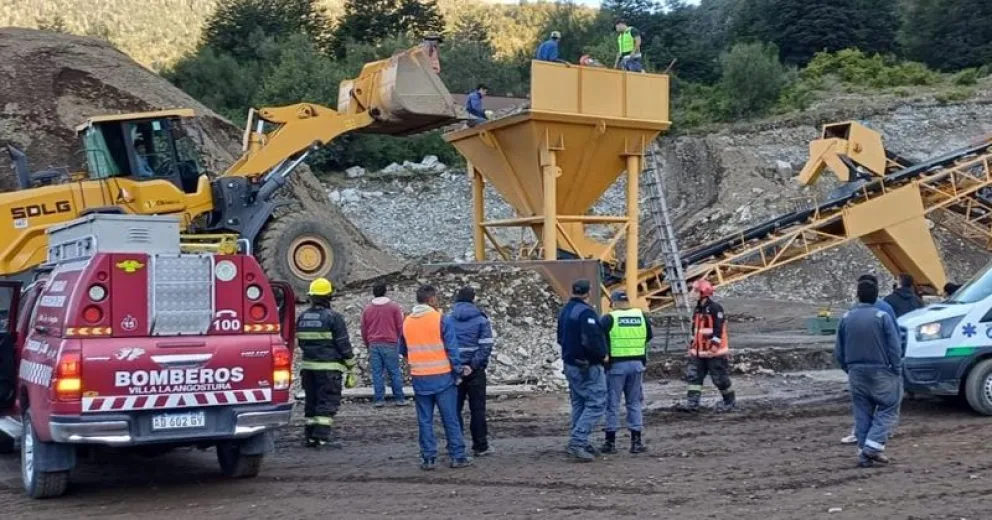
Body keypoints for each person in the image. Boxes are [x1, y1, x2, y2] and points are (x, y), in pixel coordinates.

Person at [399, 285, 472, 470]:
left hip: (419, 378)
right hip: (442, 377)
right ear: (431, 300)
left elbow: (404, 350)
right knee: (450, 418)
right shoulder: (440, 319)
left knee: (425, 420)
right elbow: (452, 349)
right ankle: (457, 456)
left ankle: (428, 458)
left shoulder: (407, 321)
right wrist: (457, 371)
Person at [835, 276, 903, 468]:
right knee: (889, 407)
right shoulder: (882, 316)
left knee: (862, 412)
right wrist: (896, 369)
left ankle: (865, 453)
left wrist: (848, 369)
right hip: (881, 370)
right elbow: (894, 347)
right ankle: (872, 448)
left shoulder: (846, 317)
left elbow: (838, 350)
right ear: (876, 297)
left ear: (858, 296)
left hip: (856, 372)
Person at [296, 278, 357, 449]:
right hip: (329, 369)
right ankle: (321, 438)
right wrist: (351, 366)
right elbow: (343, 344)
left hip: (308, 368)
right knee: (327, 402)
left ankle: (310, 437)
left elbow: (301, 343)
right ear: (328, 296)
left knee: (312, 401)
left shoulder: (303, 317)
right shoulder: (334, 318)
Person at [557, 279, 608, 462]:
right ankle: (578, 440)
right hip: (586, 365)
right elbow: (592, 339)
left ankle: (579, 438)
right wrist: (602, 356)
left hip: (570, 363)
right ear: (589, 292)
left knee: (579, 401)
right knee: (596, 402)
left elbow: (560, 338)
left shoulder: (565, 311)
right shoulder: (586, 313)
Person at [599, 290, 651, 455]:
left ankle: (610, 443)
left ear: (613, 303)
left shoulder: (609, 318)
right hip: (636, 364)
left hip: (616, 366)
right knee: (634, 403)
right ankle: (636, 442)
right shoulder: (641, 316)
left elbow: (600, 338)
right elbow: (649, 336)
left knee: (612, 404)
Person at [447, 286, 496, 457]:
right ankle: (480, 446)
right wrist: (473, 365)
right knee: (477, 410)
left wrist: (458, 366)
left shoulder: (448, 319)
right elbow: (486, 345)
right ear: (473, 299)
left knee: (454, 410)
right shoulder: (481, 320)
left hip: (454, 371)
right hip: (475, 371)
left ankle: (455, 445)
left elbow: (446, 345)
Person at [677, 279, 735, 413]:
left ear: (703, 293)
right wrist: (692, 346)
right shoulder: (698, 308)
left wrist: (714, 345)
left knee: (719, 378)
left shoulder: (715, 308)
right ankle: (692, 404)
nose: (692, 293)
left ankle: (729, 402)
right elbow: (695, 330)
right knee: (694, 377)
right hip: (699, 351)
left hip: (714, 352)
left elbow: (718, 328)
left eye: (695, 290)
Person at [360, 283, 408, 408]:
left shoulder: (367, 309)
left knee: (377, 373)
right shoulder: (394, 307)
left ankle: (379, 400)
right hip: (390, 343)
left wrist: (367, 343)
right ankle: (399, 399)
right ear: (385, 292)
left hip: (374, 344)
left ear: (373, 293)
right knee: (394, 372)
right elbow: (400, 326)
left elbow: (364, 329)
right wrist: (398, 340)